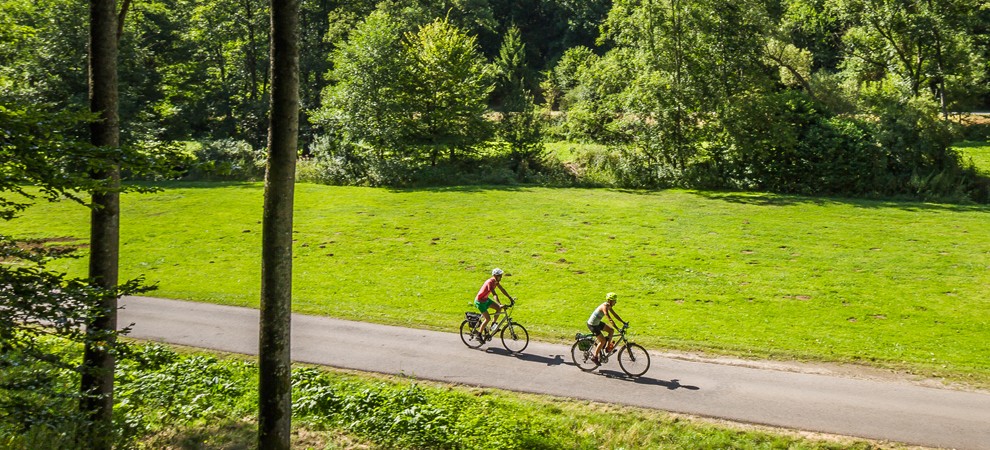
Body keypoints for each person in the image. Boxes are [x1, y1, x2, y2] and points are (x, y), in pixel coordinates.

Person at [586, 292, 626, 364]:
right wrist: (618, 328)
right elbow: (610, 319)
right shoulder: (604, 307)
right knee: (603, 341)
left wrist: (623, 322)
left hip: (597, 323)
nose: (615, 303)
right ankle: (594, 357)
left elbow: (615, 315)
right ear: (610, 301)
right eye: (614, 301)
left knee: (611, 331)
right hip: (592, 325)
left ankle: (607, 348)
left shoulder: (608, 305)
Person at [474, 268, 512, 340]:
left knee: (498, 308)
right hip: (480, 302)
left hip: (485, 299)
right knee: (487, 318)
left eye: (501, 275)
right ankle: (479, 335)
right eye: (499, 276)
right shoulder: (490, 282)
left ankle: (493, 325)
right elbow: (494, 294)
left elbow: (502, 290)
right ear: (494, 275)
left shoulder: (496, 281)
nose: (501, 277)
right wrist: (499, 303)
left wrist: (510, 298)